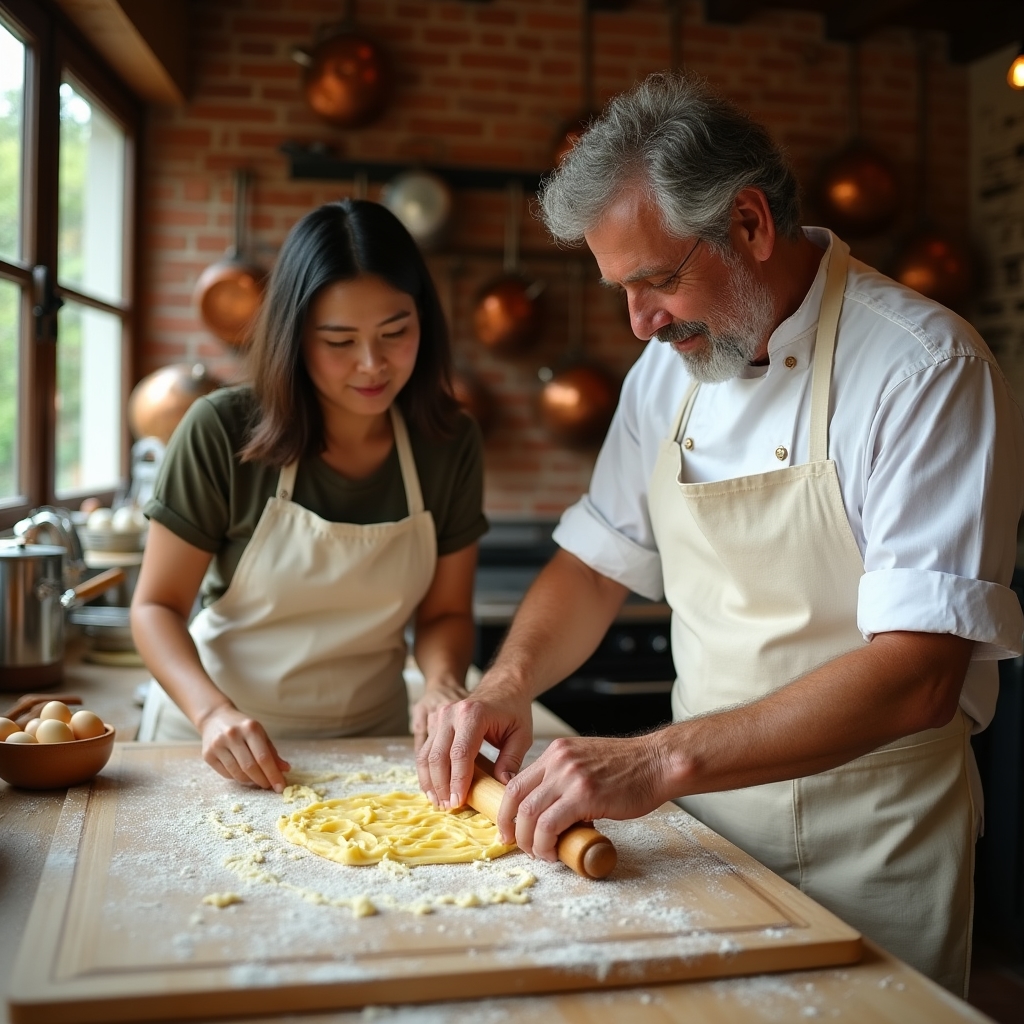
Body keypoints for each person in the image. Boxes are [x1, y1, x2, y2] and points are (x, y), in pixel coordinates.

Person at [416, 74, 1024, 995]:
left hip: (876, 845)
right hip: (700, 835)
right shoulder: (667, 374)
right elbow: (591, 566)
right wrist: (507, 684)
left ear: (749, 224)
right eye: (621, 288)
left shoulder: (923, 369)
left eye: (658, 280)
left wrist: (656, 756)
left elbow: (920, 674)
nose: (640, 323)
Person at [132, 198, 487, 793]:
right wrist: (211, 712)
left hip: (375, 746)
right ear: (294, 337)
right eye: (339, 340)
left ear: (424, 321)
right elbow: (155, 607)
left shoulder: (448, 442)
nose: (372, 364)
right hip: (215, 744)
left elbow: (446, 612)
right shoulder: (221, 429)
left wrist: (442, 683)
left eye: (395, 332)